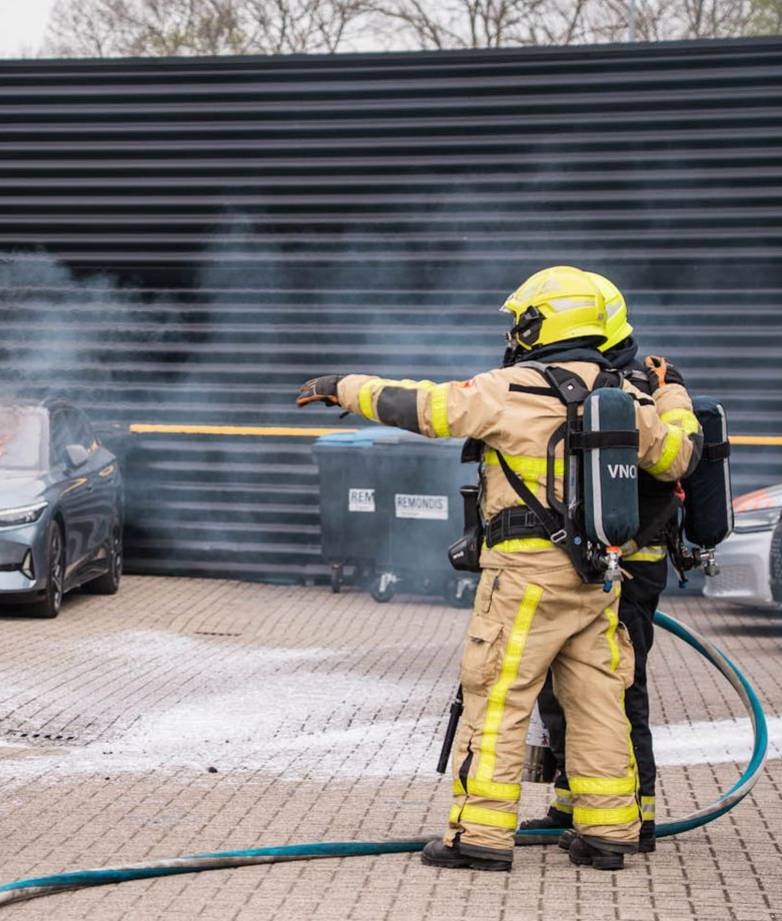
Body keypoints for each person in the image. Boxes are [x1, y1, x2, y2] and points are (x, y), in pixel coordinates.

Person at [297, 266, 699, 872]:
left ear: (545, 325)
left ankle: (479, 836)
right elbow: (679, 458)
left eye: (523, 322)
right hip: (597, 577)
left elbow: (424, 407)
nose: (515, 332)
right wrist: (673, 397)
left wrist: (343, 386)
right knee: (598, 704)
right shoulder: (626, 399)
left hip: (525, 576)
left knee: (498, 698)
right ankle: (610, 833)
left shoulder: (510, 389)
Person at [521, 275, 702, 854]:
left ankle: (635, 814)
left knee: (618, 689)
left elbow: (680, 457)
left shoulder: (648, 386)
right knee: (561, 688)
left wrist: (673, 396)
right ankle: (573, 802)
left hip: (630, 563)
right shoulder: (568, 381)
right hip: (574, 561)